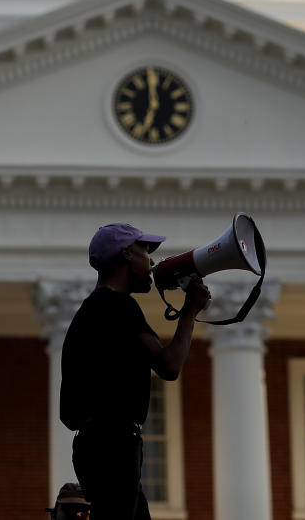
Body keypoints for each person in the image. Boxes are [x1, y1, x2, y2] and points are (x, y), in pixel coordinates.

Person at [60, 223, 210, 520]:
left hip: (99, 444)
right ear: (127, 254)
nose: (152, 261)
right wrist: (190, 310)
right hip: (113, 445)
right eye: (145, 251)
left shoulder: (93, 309)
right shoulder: (117, 306)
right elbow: (169, 365)